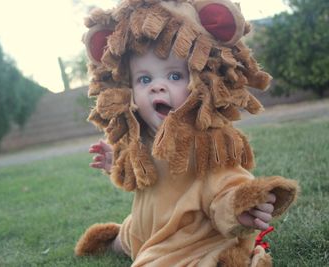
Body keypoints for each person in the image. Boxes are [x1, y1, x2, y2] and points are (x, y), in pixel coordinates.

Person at [76, 1, 299, 266]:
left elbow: (226, 185)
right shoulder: (141, 136)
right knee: (130, 233)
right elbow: (141, 174)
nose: (157, 87)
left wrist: (241, 209)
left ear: (201, 80)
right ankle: (112, 242)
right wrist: (116, 161)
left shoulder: (208, 141)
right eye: (144, 80)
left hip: (187, 237)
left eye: (174, 76)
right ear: (129, 89)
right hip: (147, 228)